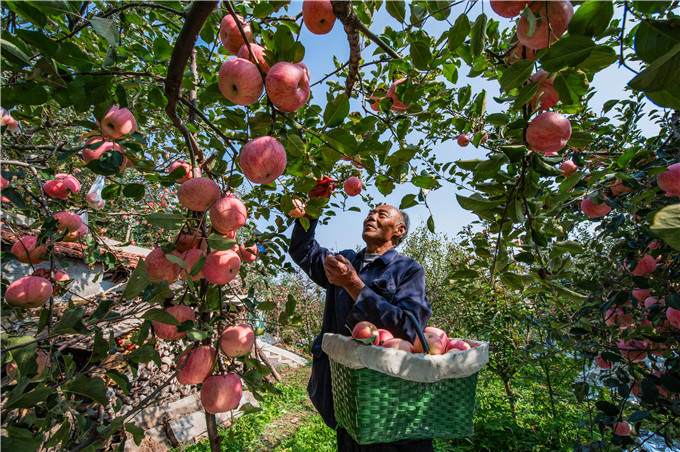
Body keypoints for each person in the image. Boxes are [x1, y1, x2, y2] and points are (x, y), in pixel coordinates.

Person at [289, 205, 434, 452]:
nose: (371, 217)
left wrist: (354, 285)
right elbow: (303, 250)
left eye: (381, 214)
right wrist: (312, 210)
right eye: (370, 213)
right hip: (347, 394)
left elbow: (409, 329)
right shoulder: (344, 261)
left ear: (399, 230)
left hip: (390, 396)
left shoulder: (408, 270)